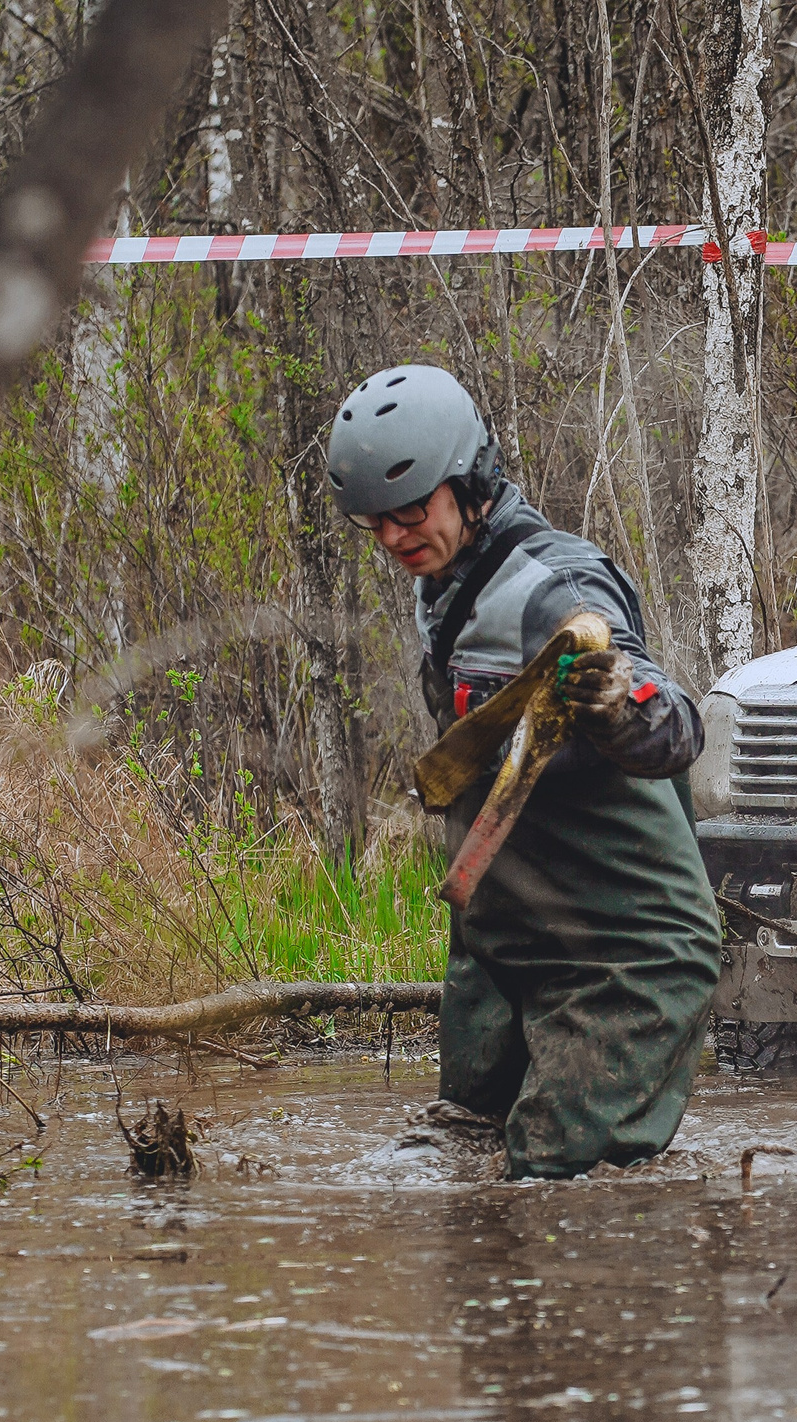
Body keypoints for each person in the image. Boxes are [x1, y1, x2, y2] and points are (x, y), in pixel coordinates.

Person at [326, 363, 720, 1178]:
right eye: (376, 525)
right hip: (503, 949)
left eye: (411, 514)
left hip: (624, 956)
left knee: (558, 1191)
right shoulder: (442, 580)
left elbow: (677, 726)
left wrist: (617, 699)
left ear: (470, 485)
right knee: (450, 1174)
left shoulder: (557, 588)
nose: (396, 539)